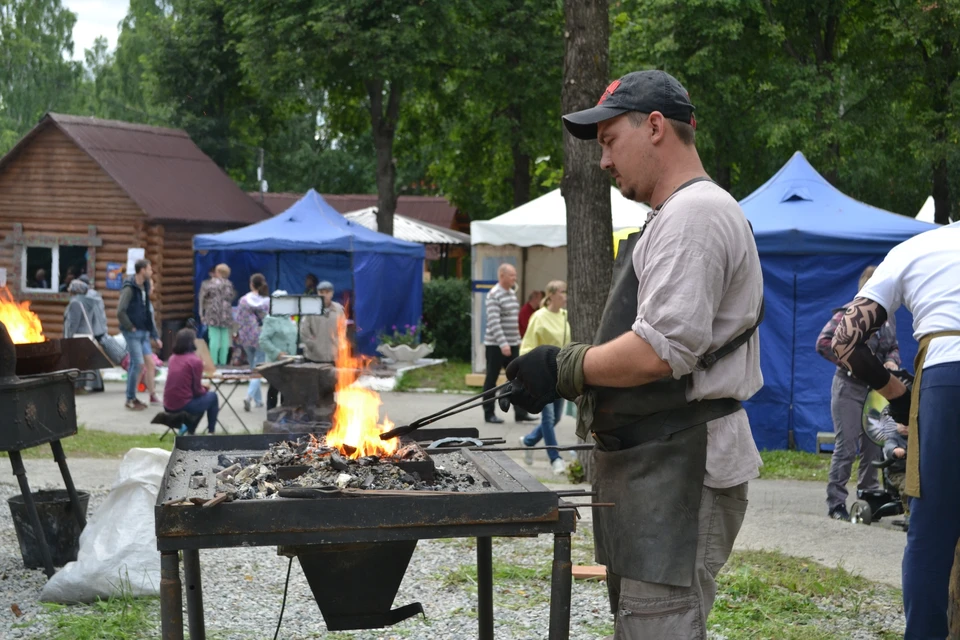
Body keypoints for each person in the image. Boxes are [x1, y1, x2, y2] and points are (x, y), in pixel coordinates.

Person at [503, 70, 764, 638]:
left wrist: (563, 366)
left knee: (658, 629)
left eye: (608, 142)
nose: (602, 162)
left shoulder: (695, 216)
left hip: (682, 467)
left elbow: (660, 351)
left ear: (653, 127)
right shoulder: (674, 215)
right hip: (655, 465)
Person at [830, 220, 960, 639]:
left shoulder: (917, 248)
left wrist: (898, 395)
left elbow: (843, 339)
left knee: (932, 531)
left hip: (944, 378)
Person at [815, 265, 900, 521]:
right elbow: (824, 342)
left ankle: (868, 494)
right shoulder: (849, 313)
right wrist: (853, 362)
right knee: (847, 445)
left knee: (875, 445)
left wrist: (892, 362)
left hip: (876, 390)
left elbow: (892, 346)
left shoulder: (887, 317)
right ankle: (836, 503)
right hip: (849, 387)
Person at [517, 281, 571, 475]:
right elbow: (527, 345)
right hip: (542, 374)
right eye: (563, 292)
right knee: (547, 417)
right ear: (552, 295)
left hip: (561, 374)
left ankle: (528, 441)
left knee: (556, 417)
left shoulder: (566, 316)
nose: (566, 296)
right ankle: (555, 458)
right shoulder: (539, 317)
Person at [482, 263, 534, 424]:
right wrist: (503, 344)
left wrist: (516, 341)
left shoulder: (511, 293)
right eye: (512, 275)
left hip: (511, 343)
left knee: (518, 378)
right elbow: (494, 322)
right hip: (496, 345)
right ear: (502, 276)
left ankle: (520, 412)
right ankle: (489, 413)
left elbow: (513, 321)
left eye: (515, 275)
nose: (515, 278)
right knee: (492, 379)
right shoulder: (494, 295)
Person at [117, 259, 161, 411]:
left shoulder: (145, 286)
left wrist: (155, 336)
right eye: (149, 269)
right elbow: (120, 311)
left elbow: (148, 313)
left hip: (144, 332)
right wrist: (130, 327)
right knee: (137, 364)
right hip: (132, 332)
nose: (151, 272)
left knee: (150, 364)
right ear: (142, 270)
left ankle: (152, 394)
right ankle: (130, 398)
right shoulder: (129, 288)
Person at [164, 328, 219, 435]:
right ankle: (211, 432)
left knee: (202, 401)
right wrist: (205, 388)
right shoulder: (195, 361)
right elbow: (197, 390)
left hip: (168, 404)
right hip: (183, 404)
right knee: (212, 397)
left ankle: (190, 431)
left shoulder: (172, 358)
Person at [236, 273, 270, 411]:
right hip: (261, 337)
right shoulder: (267, 301)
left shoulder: (243, 300)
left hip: (246, 337)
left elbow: (238, 318)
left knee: (253, 368)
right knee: (258, 369)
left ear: (251, 284)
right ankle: (249, 397)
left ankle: (258, 400)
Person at [259, 291, 298, 410]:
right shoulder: (270, 319)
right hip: (276, 362)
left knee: (287, 391)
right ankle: (270, 415)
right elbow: (263, 340)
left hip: (290, 361)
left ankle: (285, 418)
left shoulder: (289, 319)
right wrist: (277, 353)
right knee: (274, 389)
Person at [199, 263, 236, 366]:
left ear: (218, 272)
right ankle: (223, 361)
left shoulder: (209, 284)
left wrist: (201, 313)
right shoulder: (229, 284)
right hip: (226, 313)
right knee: (225, 338)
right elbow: (232, 296)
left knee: (214, 337)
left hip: (213, 312)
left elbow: (202, 298)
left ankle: (213, 361)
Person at [300, 280, 345, 364]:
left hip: (333, 356)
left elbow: (342, 329)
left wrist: (338, 345)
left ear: (332, 293)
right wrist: (312, 345)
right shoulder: (310, 309)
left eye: (327, 292)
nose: (324, 295)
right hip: (314, 357)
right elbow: (304, 330)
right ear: (318, 293)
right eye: (321, 292)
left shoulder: (338, 309)